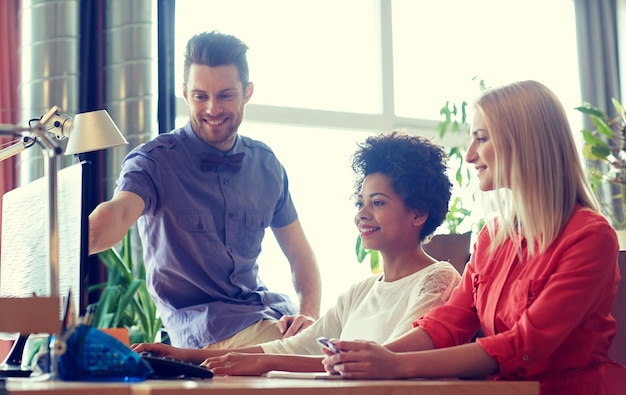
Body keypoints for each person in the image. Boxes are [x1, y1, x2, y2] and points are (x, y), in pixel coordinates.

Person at [321, 81, 626, 394]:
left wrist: (395, 364)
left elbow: (525, 344)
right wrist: (374, 356)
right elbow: (447, 325)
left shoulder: (590, 237)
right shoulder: (491, 238)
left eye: (481, 139)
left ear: (524, 143)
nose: (469, 155)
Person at [132, 131, 462, 376]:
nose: (362, 214)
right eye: (360, 202)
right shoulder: (359, 292)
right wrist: (178, 354)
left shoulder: (438, 279)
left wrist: (268, 361)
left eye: (377, 202)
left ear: (419, 213)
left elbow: (382, 361)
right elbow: (290, 347)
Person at [88, 31, 322, 349]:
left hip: (269, 315)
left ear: (247, 93)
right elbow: (118, 213)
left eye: (225, 95)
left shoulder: (266, 165)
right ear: (185, 94)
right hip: (207, 328)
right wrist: (65, 244)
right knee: (313, 358)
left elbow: (299, 253)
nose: (212, 108)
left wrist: (308, 314)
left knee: (349, 346)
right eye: (200, 96)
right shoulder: (154, 162)